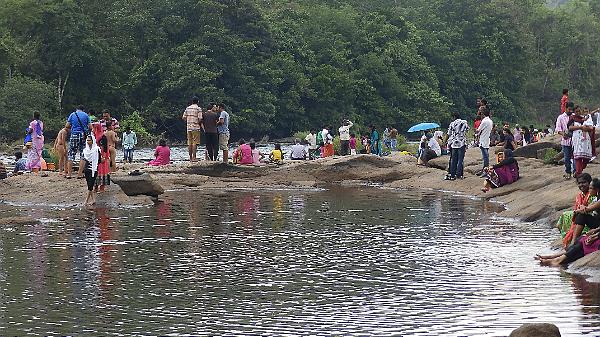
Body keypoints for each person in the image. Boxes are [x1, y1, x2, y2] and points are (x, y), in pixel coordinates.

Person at [558, 173, 593, 243]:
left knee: (568, 215)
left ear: (589, 183)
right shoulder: (579, 196)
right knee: (562, 218)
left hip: (589, 219)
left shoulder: (593, 194)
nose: (581, 185)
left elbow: (590, 210)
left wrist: (577, 211)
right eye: (579, 183)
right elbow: (577, 208)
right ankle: (567, 238)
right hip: (579, 217)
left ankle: (573, 240)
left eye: (584, 182)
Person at [65, 105, 90, 179]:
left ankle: (69, 174)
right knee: (83, 154)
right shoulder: (86, 115)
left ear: (77, 109)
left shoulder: (73, 114)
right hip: (83, 135)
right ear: (83, 109)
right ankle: (79, 174)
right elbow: (90, 127)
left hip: (74, 134)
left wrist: (72, 129)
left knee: (71, 153)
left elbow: (67, 125)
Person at [569, 107, 595, 176]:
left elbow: (591, 128)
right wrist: (580, 127)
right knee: (578, 157)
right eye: (576, 111)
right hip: (577, 139)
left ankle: (580, 170)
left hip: (586, 139)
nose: (578, 112)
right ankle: (578, 172)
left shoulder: (584, 118)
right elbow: (570, 128)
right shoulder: (573, 118)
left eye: (579, 111)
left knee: (587, 157)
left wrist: (586, 128)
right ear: (574, 112)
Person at [445, 112, 469, 180]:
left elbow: (448, 134)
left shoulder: (452, 124)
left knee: (453, 160)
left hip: (454, 144)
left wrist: (445, 142)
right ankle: (459, 175)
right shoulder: (464, 122)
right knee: (460, 159)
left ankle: (452, 175)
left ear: (454, 117)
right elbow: (467, 130)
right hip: (461, 143)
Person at [83, 135, 101, 206]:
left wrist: (95, 163)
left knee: (90, 185)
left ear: (93, 141)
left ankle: (86, 201)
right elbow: (84, 159)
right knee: (89, 185)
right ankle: (93, 200)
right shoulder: (85, 150)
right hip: (87, 168)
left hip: (94, 169)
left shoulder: (96, 149)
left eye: (89, 140)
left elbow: (99, 160)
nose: (88, 142)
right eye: (87, 140)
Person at [182, 97, 202, 162]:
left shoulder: (188, 108)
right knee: (195, 143)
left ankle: (190, 158)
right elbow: (200, 118)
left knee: (189, 142)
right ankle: (194, 157)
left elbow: (183, 117)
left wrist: (188, 121)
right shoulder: (198, 108)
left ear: (192, 101)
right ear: (198, 102)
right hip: (195, 127)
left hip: (189, 127)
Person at [94, 124, 111, 192]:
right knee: (95, 172)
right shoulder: (94, 136)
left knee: (102, 171)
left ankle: (102, 188)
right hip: (95, 156)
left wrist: (103, 156)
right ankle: (95, 187)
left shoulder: (102, 137)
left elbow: (105, 147)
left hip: (101, 156)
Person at [476, 107, 493, 174]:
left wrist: (475, 131)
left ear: (483, 114)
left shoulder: (484, 121)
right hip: (487, 139)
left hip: (483, 140)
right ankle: (485, 169)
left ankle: (486, 170)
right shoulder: (490, 121)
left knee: (485, 156)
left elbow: (478, 130)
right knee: (486, 155)